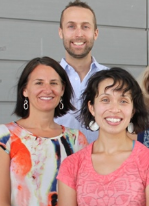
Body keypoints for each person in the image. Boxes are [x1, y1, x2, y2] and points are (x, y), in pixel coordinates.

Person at [57, 67, 149, 206]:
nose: (114, 109)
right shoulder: (72, 165)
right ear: (92, 107)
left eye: (123, 101)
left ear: (133, 109)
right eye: (105, 100)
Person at [0, 56, 87, 206]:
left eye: (54, 83)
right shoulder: (3, 137)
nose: (47, 89)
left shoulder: (77, 140)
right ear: (25, 90)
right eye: (39, 82)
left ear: (62, 90)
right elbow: (0, 205)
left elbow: (83, 203)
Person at [55, 0, 108, 143]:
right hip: (58, 162)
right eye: (71, 26)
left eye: (85, 26)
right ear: (61, 32)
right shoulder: (49, 79)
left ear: (95, 33)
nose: (79, 34)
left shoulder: (111, 79)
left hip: (101, 164)